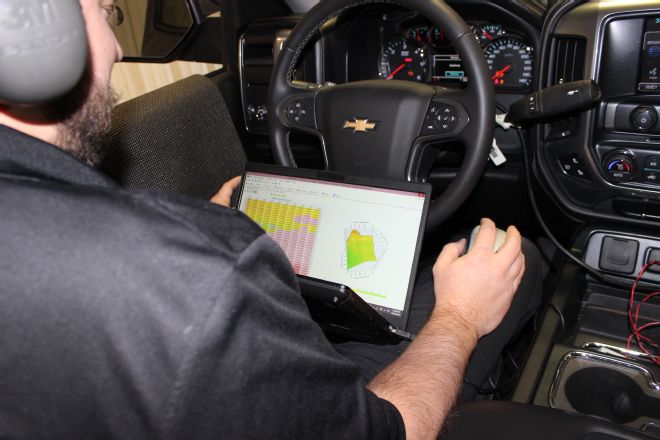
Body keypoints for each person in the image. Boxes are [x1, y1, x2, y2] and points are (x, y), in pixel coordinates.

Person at [0, 0, 541, 438]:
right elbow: (397, 431)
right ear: (35, 35)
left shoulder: (163, 261)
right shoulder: (192, 281)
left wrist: (197, 237)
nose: (118, 48)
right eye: (106, 12)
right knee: (511, 259)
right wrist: (462, 316)